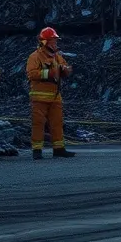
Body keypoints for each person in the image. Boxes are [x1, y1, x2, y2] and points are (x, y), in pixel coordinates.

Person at [26, 26, 76, 159]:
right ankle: (37, 150)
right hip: (40, 97)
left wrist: (66, 70)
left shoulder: (57, 57)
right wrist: (49, 73)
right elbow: (31, 74)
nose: (55, 43)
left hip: (55, 97)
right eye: (53, 40)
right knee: (38, 124)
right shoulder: (35, 56)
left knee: (57, 123)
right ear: (45, 42)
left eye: (55, 40)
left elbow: (65, 68)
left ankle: (59, 149)